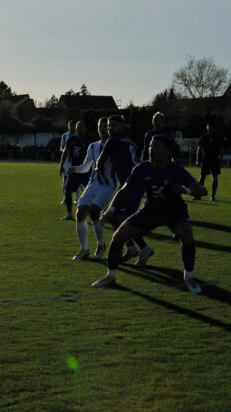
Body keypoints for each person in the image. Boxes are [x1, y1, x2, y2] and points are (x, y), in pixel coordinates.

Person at [91, 134, 208, 292]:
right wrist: (111, 210)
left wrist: (185, 190)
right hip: (151, 210)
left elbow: (202, 191)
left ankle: (189, 277)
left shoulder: (176, 170)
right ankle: (110, 276)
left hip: (174, 211)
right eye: (151, 145)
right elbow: (123, 191)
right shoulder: (142, 168)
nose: (151, 149)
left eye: (157, 146)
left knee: (187, 236)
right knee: (118, 237)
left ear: (167, 150)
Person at [96, 114, 152, 262]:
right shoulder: (128, 141)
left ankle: (143, 247)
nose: (110, 128)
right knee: (117, 217)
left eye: (114, 125)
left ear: (122, 126)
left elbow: (100, 162)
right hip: (135, 182)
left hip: (131, 184)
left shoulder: (113, 140)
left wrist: (99, 174)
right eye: (109, 125)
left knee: (120, 217)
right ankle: (133, 247)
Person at [66, 117, 111, 259]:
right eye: (100, 126)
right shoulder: (93, 146)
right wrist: (75, 169)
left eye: (105, 126)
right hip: (94, 183)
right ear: (97, 129)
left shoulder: (115, 145)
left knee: (94, 212)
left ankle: (101, 244)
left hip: (108, 184)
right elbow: (86, 167)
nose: (103, 129)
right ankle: (84, 249)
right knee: (80, 213)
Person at [58, 121, 91, 221]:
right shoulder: (70, 139)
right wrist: (61, 165)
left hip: (86, 170)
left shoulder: (89, 141)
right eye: (78, 127)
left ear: (85, 129)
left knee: (92, 192)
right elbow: (65, 152)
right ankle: (69, 214)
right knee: (67, 191)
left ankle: (98, 213)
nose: (79, 129)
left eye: (81, 127)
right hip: (74, 170)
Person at [196, 122, 222, 201]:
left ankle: (213, 196)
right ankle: (199, 195)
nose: (210, 130)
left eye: (211, 129)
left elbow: (220, 149)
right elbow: (199, 149)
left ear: (214, 129)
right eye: (209, 129)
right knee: (202, 178)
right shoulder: (204, 138)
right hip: (206, 159)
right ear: (207, 129)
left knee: (215, 178)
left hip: (215, 160)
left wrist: (221, 158)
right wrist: (197, 160)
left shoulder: (217, 138)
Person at [59, 120, 77, 206]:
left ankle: (76, 199)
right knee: (65, 179)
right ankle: (65, 198)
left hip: (75, 160)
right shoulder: (64, 136)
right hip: (66, 161)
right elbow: (62, 148)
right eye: (70, 125)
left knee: (77, 179)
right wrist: (65, 150)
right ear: (68, 126)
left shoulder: (78, 135)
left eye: (73, 126)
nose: (72, 127)